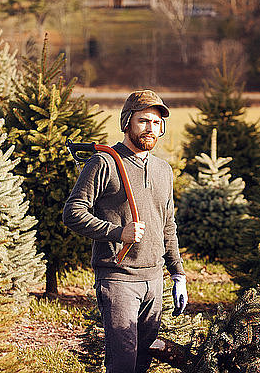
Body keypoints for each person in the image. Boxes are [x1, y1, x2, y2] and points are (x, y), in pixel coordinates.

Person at [63, 89, 188, 373]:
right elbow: (72, 213)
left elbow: (168, 224)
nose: (150, 129)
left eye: (156, 123)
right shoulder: (103, 163)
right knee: (122, 363)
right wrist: (118, 232)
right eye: (144, 121)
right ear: (127, 122)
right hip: (118, 279)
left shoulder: (162, 170)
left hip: (154, 280)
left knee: (143, 361)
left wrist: (178, 273)